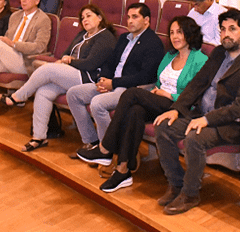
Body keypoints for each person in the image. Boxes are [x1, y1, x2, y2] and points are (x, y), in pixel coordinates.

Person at [154, 9, 240, 214]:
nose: (226, 34)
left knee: (194, 138)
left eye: (232, 29)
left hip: (230, 124)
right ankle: (176, 184)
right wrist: (177, 109)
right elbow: (198, 83)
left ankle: (190, 194)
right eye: (222, 29)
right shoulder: (218, 53)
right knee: (164, 126)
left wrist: (207, 119)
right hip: (201, 115)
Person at [77, 16, 207, 192]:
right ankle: (123, 170)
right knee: (135, 112)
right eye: (171, 33)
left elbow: (195, 94)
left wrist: (169, 94)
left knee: (131, 93)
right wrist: (155, 92)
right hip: (159, 101)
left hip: (179, 107)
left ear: (190, 34)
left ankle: (105, 148)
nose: (175, 36)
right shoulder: (170, 56)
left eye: (179, 32)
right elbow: (158, 82)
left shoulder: (200, 60)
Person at [0, 5, 118, 152]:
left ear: (99, 18)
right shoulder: (82, 34)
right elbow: (65, 53)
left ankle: (18, 97)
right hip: (71, 74)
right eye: (82, 18)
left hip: (89, 78)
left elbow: (90, 64)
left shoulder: (105, 36)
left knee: (48, 69)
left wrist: (69, 61)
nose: (85, 20)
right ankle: (39, 137)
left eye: (89, 16)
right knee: (43, 91)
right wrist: (65, 60)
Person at [66, 3, 164, 157]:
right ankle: (92, 141)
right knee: (73, 94)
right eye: (128, 17)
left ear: (146, 20)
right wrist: (102, 80)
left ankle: (107, 149)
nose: (130, 21)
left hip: (130, 89)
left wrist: (113, 83)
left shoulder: (153, 42)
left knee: (97, 103)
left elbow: (145, 76)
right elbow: (110, 63)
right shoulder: (124, 38)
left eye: (135, 17)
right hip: (111, 83)